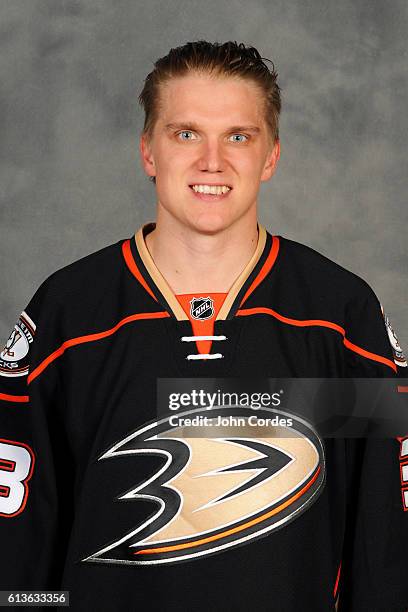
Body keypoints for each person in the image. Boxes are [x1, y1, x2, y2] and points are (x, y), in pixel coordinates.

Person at [0, 40, 406, 611]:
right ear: (148, 151)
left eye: (238, 136)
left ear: (271, 156)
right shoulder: (69, 314)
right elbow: (20, 541)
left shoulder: (341, 317)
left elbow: (384, 532)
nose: (211, 161)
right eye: (185, 133)